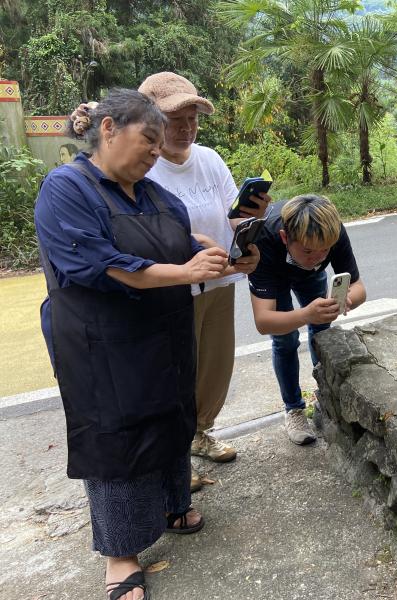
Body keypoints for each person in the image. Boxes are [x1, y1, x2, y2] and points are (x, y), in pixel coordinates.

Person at [35, 89, 260, 600]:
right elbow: (100, 264)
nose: (158, 152)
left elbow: (190, 243)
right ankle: (120, 553)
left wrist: (229, 257)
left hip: (163, 332)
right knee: (117, 434)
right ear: (109, 128)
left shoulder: (156, 196)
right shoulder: (67, 188)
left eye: (161, 145)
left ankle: (173, 503)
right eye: (150, 139)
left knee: (172, 414)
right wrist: (183, 271)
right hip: (101, 344)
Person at [72, 72, 270, 492]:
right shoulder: (139, 165)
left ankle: (199, 434)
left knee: (215, 369)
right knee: (175, 373)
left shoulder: (210, 159)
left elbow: (230, 215)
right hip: (167, 288)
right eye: (175, 119)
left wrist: (250, 222)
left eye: (193, 118)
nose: (186, 128)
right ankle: (174, 455)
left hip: (217, 279)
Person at [249, 194, 366, 444]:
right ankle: (293, 409)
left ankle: (323, 393)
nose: (319, 257)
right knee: (285, 340)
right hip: (275, 273)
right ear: (285, 238)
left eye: (325, 250)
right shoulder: (264, 239)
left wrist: (345, 300)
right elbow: (264, 321)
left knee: (322, 328)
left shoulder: (331, 230)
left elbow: (359, 288)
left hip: (310, 277)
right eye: (309, 250)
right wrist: (304, 314)